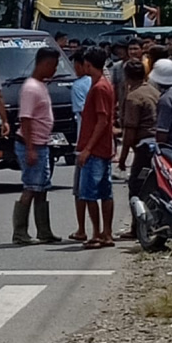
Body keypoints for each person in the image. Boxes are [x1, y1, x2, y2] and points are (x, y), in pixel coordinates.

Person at [12, 47, 62, 245]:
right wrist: (30, 148)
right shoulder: (31, 88)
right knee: (31, 187)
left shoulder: (40, 85)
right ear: (45, 64)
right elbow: (26, 119)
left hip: (42, 144)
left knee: (42, 187)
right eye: (53, 66)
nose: (55, 70)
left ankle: (44, 230)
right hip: (32, 144)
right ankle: (20, 232)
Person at [76, 47, 115, 249]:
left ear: (88, 65)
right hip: (104, 148)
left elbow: (102, 120)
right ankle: (106, 233)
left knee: (89, 193)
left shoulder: (99, 88)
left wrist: (87, 149)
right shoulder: (104, 85)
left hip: (96, 149)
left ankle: (98, 233)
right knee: (105, 193)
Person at [117, 61, 159, 239]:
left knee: (136, 187)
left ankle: (138, 228)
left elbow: (130, 131)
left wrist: (122, 158)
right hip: (158, 146)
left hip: (143, 149)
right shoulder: (154, 91)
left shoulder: (133, 97)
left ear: (126, 77)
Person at [69, 49, 92, 242]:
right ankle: (102, 230)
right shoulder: (101, 82)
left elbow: (85, 116)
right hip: (101, 142)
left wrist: (84, 145)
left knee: (80, 190)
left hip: (84, 142)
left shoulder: (78, 86)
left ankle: (82, 228)